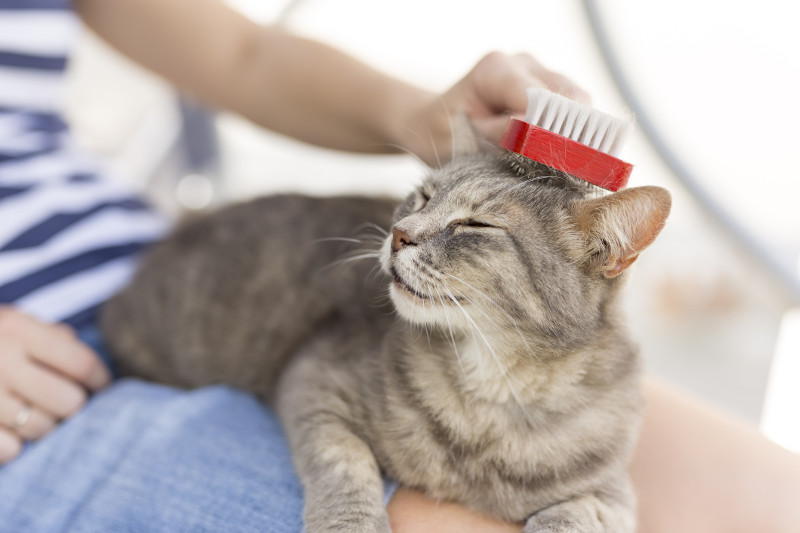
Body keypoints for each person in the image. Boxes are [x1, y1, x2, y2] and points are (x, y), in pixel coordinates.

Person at [0, 1, 798, 532]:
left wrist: (418, 117)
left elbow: (241, 53)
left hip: (136, 248)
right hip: (63, 381)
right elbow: (323, 380)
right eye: (418, 209)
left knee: (770, 500)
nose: (405, 235)